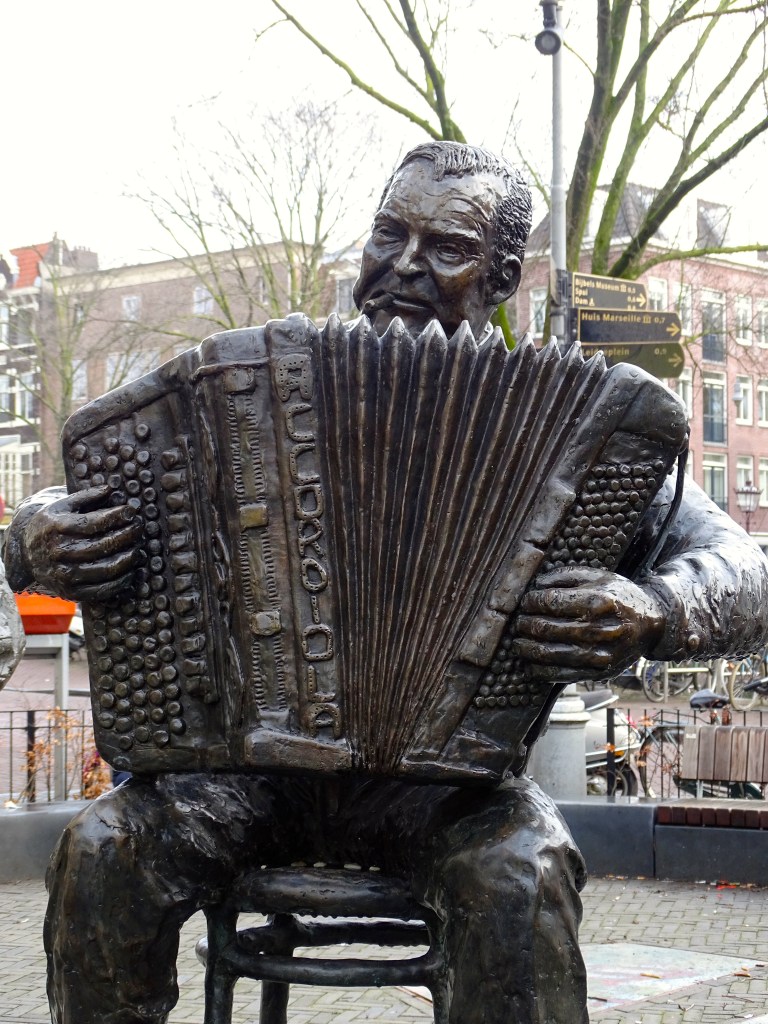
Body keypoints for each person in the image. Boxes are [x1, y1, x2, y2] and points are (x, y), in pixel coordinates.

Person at [6, 142, 768, 1024]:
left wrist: (658, 609)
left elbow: (745, 571)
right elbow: (87, 485)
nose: (404, 265)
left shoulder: (582, 425)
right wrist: (36, 536)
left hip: (449, 794)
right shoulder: (253, 385)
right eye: (388, 235)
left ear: (503, 277)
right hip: (243, 773)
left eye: (446, 248)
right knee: (105, 846)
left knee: (521, 870)